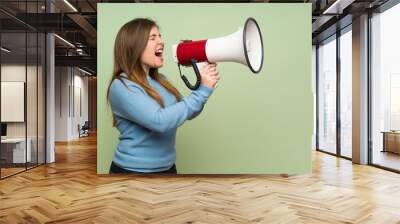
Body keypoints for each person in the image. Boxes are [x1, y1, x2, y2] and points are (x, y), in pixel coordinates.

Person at [107, 18, 219, 174]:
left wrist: (204, 86)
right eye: (153, 38)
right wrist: (201, 92)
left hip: (168, 169)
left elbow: (188, 112)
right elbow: (160, 121)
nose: (161, 41)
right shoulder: (121, 85)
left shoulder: (162, 81)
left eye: (160, 36)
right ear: (134, 46)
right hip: (132, 172)